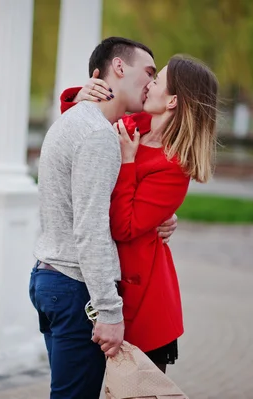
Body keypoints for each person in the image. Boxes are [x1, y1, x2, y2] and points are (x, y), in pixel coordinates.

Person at [30, 37, 178, 399]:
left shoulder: (87, 123)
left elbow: (163, 137)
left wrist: (164, 212)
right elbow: (92, 229)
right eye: (148, 73)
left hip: (50, 275)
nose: (150, 83)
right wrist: (109, 312)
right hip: (76, 286)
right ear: (119, 68)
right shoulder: (100, 136)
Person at [60, 54, 219, 373]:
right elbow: (79, 131)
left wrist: (128, 162)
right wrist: (80, 95)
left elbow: (124, 227)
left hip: (144, 301)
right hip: (107, 288)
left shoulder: (175, 166)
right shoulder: (132, 126)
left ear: (172, 100)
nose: (149, 85)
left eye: (156, 81)